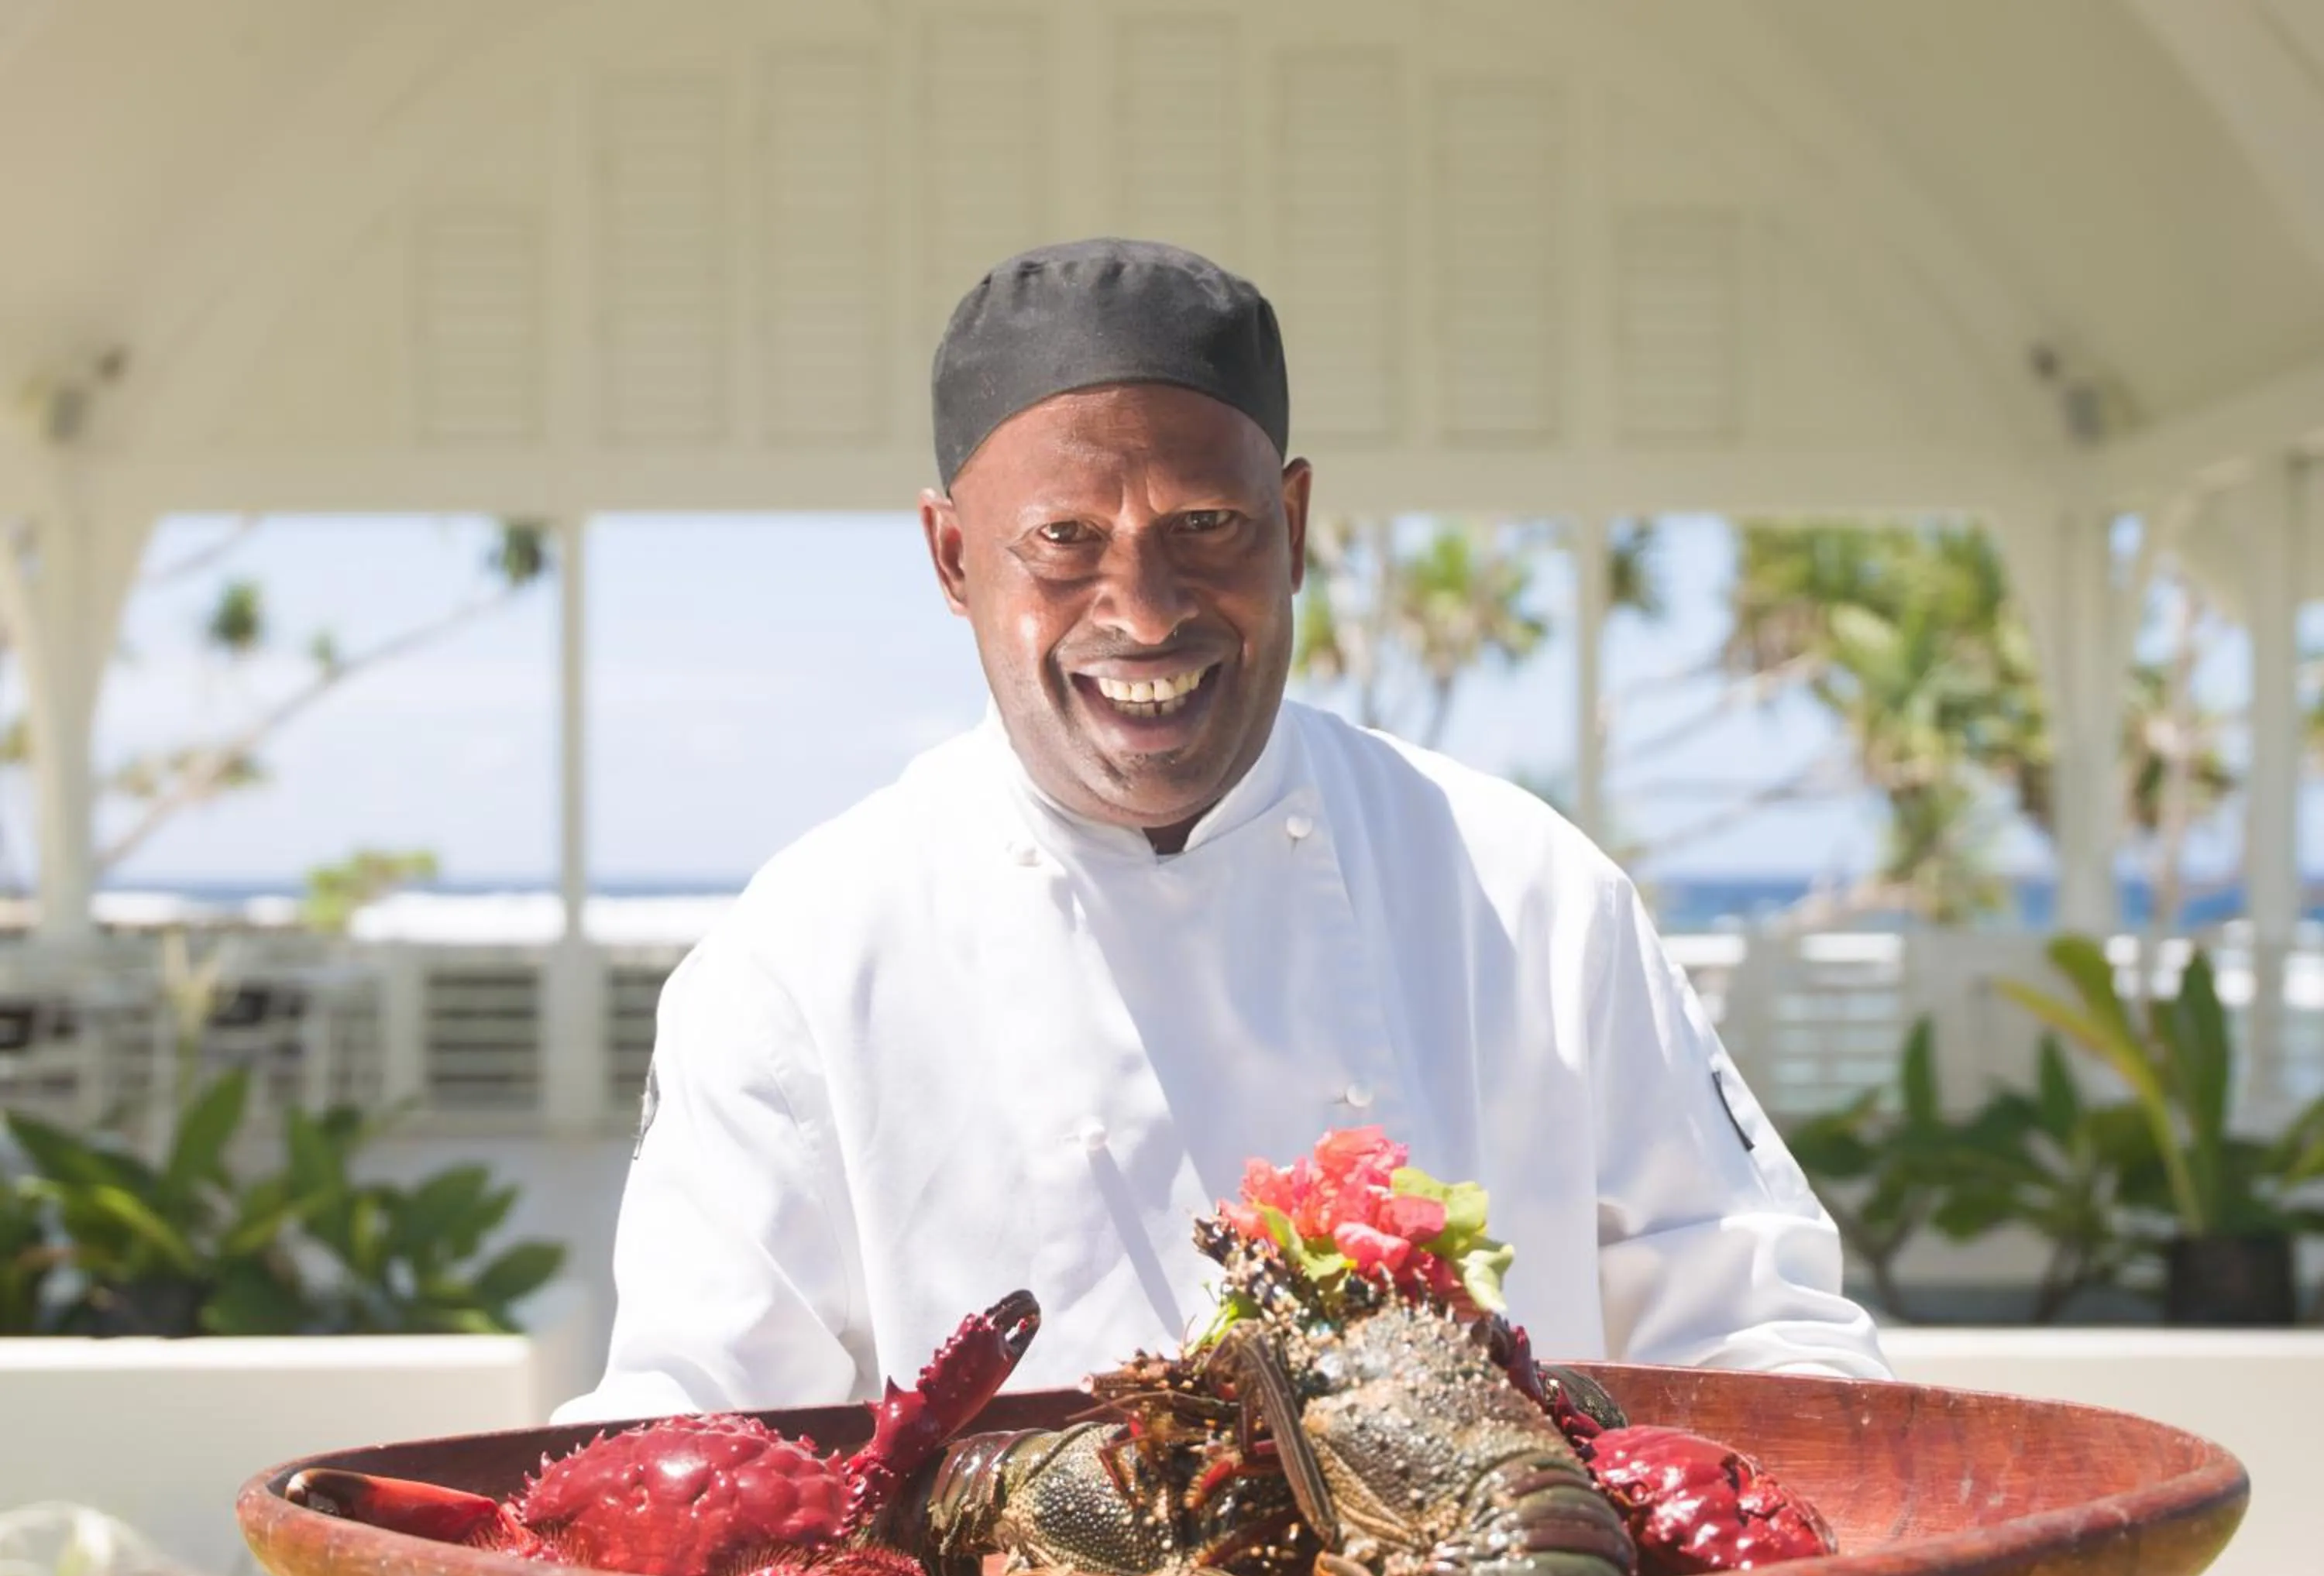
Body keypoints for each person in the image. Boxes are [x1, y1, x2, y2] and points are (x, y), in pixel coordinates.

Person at [555, 238, 1887, 1424]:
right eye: (1064, 538)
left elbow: (1764, 1345)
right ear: (954, 559)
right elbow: (691, 1431)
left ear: (1292, 527)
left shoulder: (1531, 894)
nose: (1143, 608)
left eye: (1205, 524)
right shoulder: (799, 960)